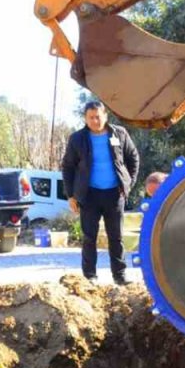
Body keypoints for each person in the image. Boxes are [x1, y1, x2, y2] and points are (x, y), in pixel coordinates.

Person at [62, 101, 140, 285]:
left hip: (114, 194)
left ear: (105, 116)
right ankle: (90, 276)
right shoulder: (77, 139)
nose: (95, 121)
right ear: (85, 118)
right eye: (91, 117)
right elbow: (67, 167)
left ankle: (120, 276)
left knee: (117, 237)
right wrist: (71, 195)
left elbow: (133, 158)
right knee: (89, 237)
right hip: (88, 195)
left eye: (98, 116)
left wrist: (127, 184)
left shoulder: (119, 134)